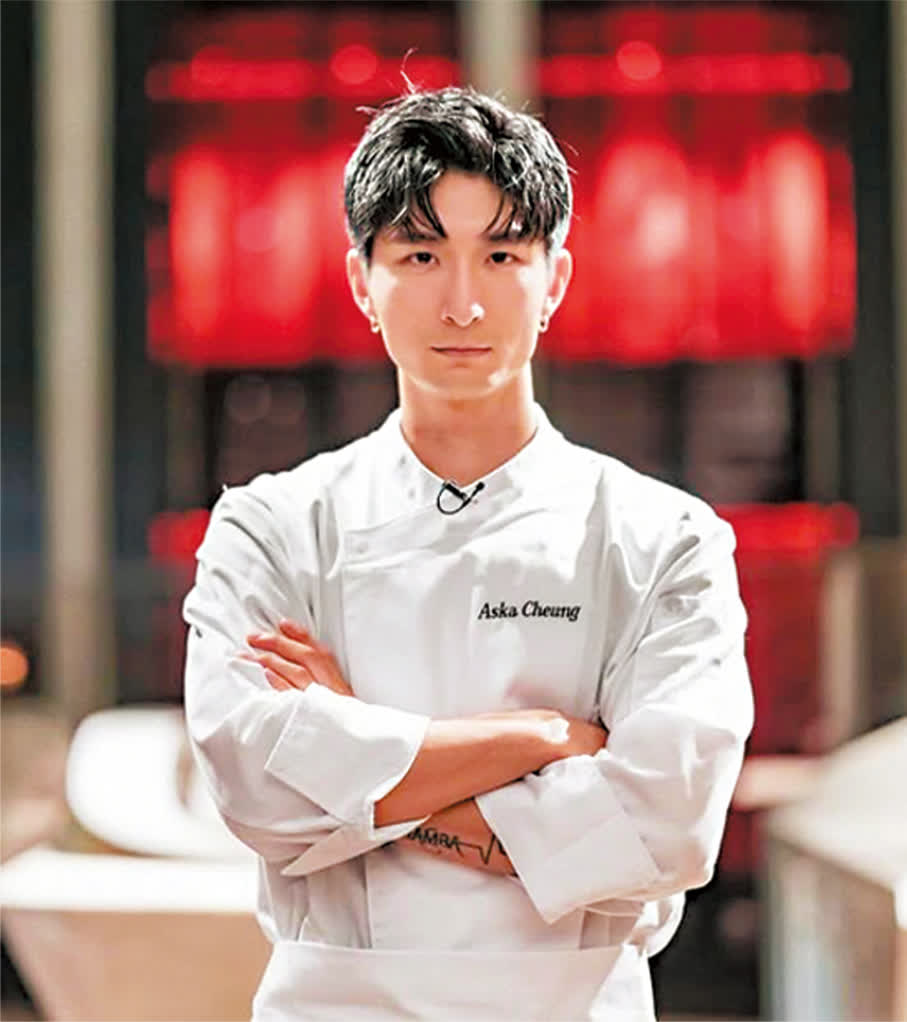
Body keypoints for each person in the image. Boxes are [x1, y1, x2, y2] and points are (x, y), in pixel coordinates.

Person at [183, 86, 753, 1021]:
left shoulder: (663, 538)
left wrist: (351, 755)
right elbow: (257, 791)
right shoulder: (273, 527)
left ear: (554, 280)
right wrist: (541, 741)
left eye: (501, 255)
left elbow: (668, 827)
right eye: (419, 255)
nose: (462, 303)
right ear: (361, 281)